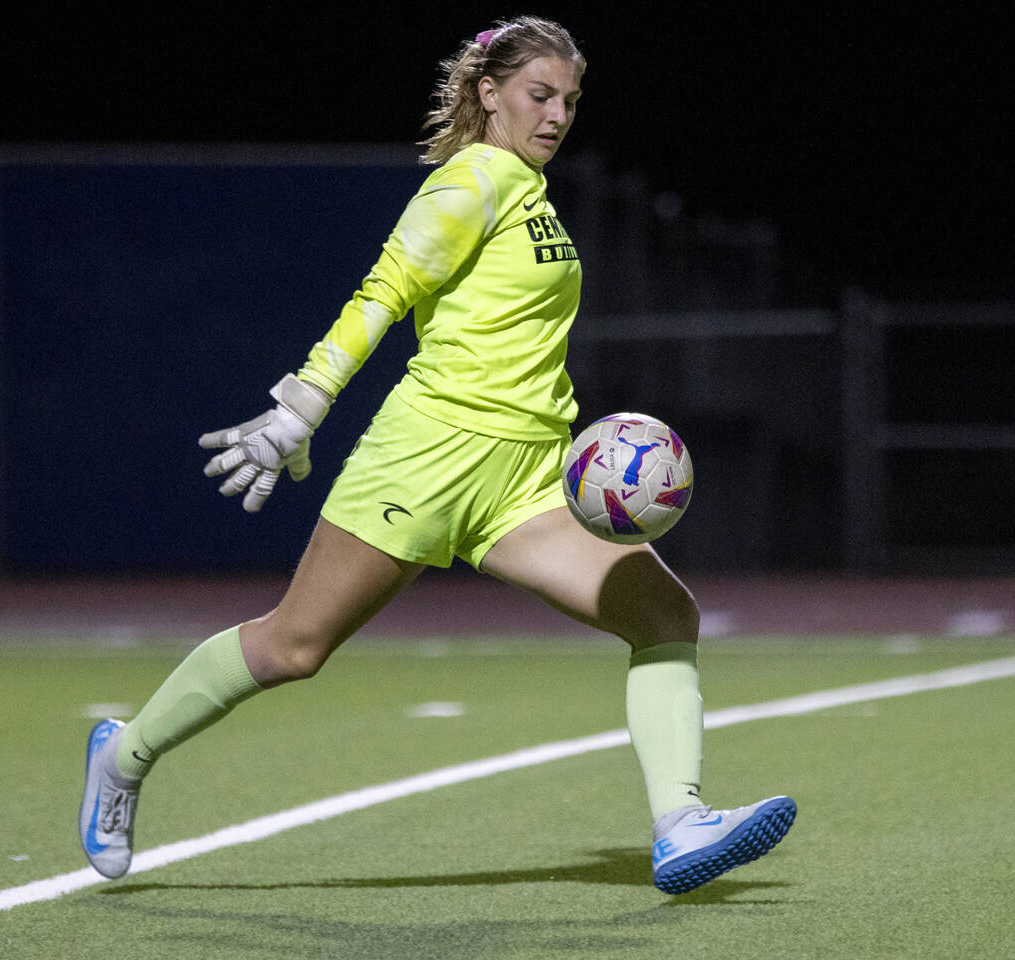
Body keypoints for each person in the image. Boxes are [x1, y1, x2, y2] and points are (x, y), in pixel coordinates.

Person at [79, 15, 796, 896]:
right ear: (489, 93)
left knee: (664, 616)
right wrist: (301, 405)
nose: (557, 115)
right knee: (293, 647)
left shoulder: (532, 193)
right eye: (540, 95)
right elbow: (384, 291)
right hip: (426, 457)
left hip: (526, 479)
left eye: (570, 100)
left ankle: (681, 826)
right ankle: (124, 755)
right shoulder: (473, 181)